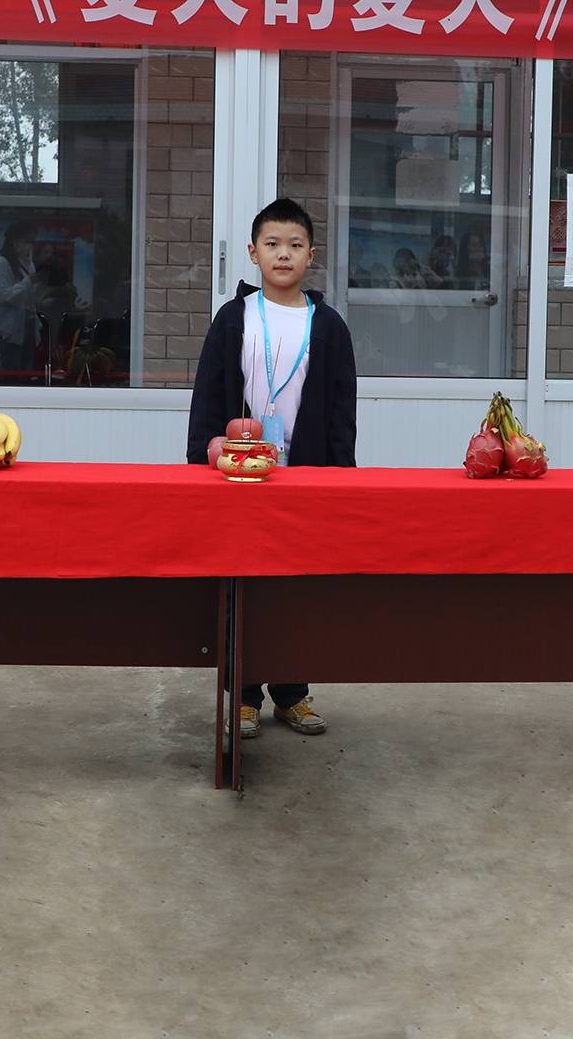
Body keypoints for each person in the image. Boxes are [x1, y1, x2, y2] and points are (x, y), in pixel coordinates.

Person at [188, 197, 358, 740]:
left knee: (295, 585)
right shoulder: (234, 318)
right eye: (272, 244)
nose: (283, 254)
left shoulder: (328, 326)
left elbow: (340, 411)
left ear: (312, 255)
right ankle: (241, 696)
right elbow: (208, 395)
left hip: (306, 475)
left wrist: (341, 478)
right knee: (241, 580)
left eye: (295, 245)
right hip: (242, 474)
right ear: (252, 253)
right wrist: (203, 457)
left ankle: (293, 693)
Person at [0, 222, 42, 374]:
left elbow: (31, 297)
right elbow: (6, 296)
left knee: (27, 368)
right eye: (27, 242)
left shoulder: (28, 263)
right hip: (10, 328)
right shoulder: (1, 264)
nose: (29, 247)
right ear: (15, 241)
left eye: (32, 242)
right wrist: (29, 281)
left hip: (29, 322)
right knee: (11, 369)